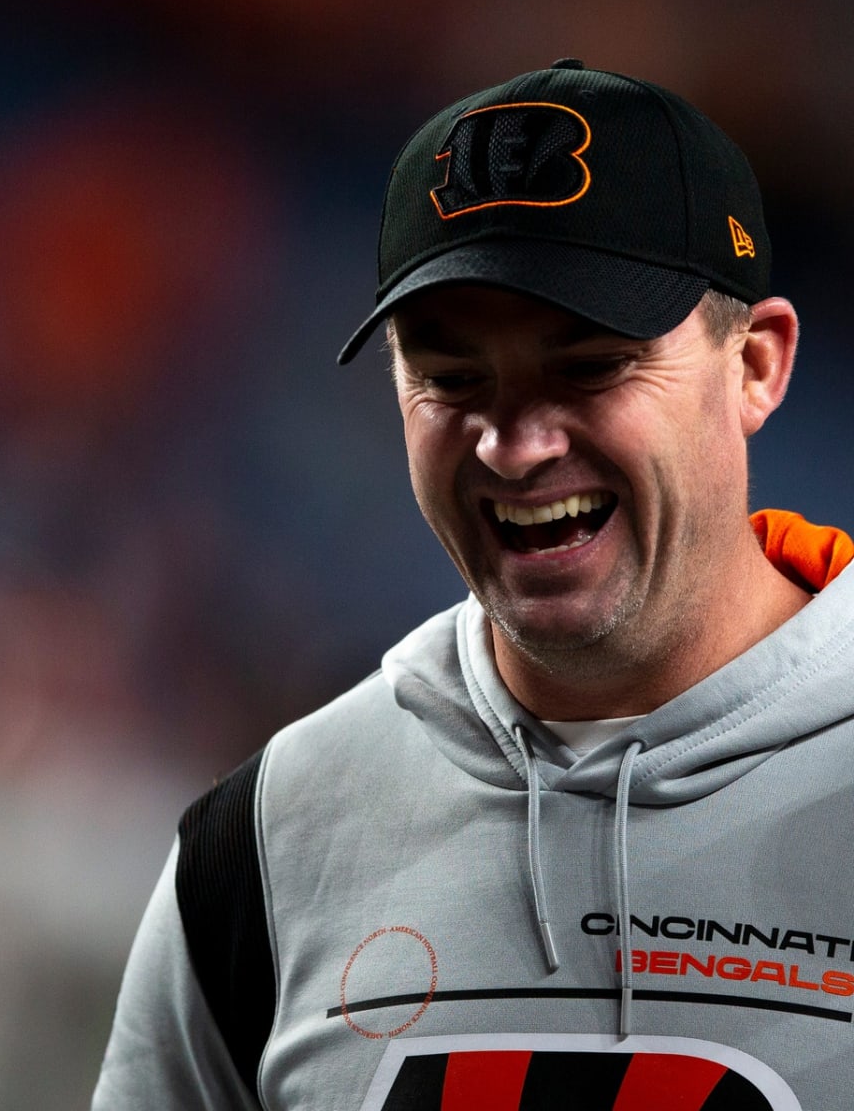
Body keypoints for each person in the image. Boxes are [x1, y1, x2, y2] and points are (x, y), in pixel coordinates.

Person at [90, 59, 854, 1110]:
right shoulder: (266, 843)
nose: (515, 444)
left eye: (589, 367)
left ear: (757, 365)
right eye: (451, 380)